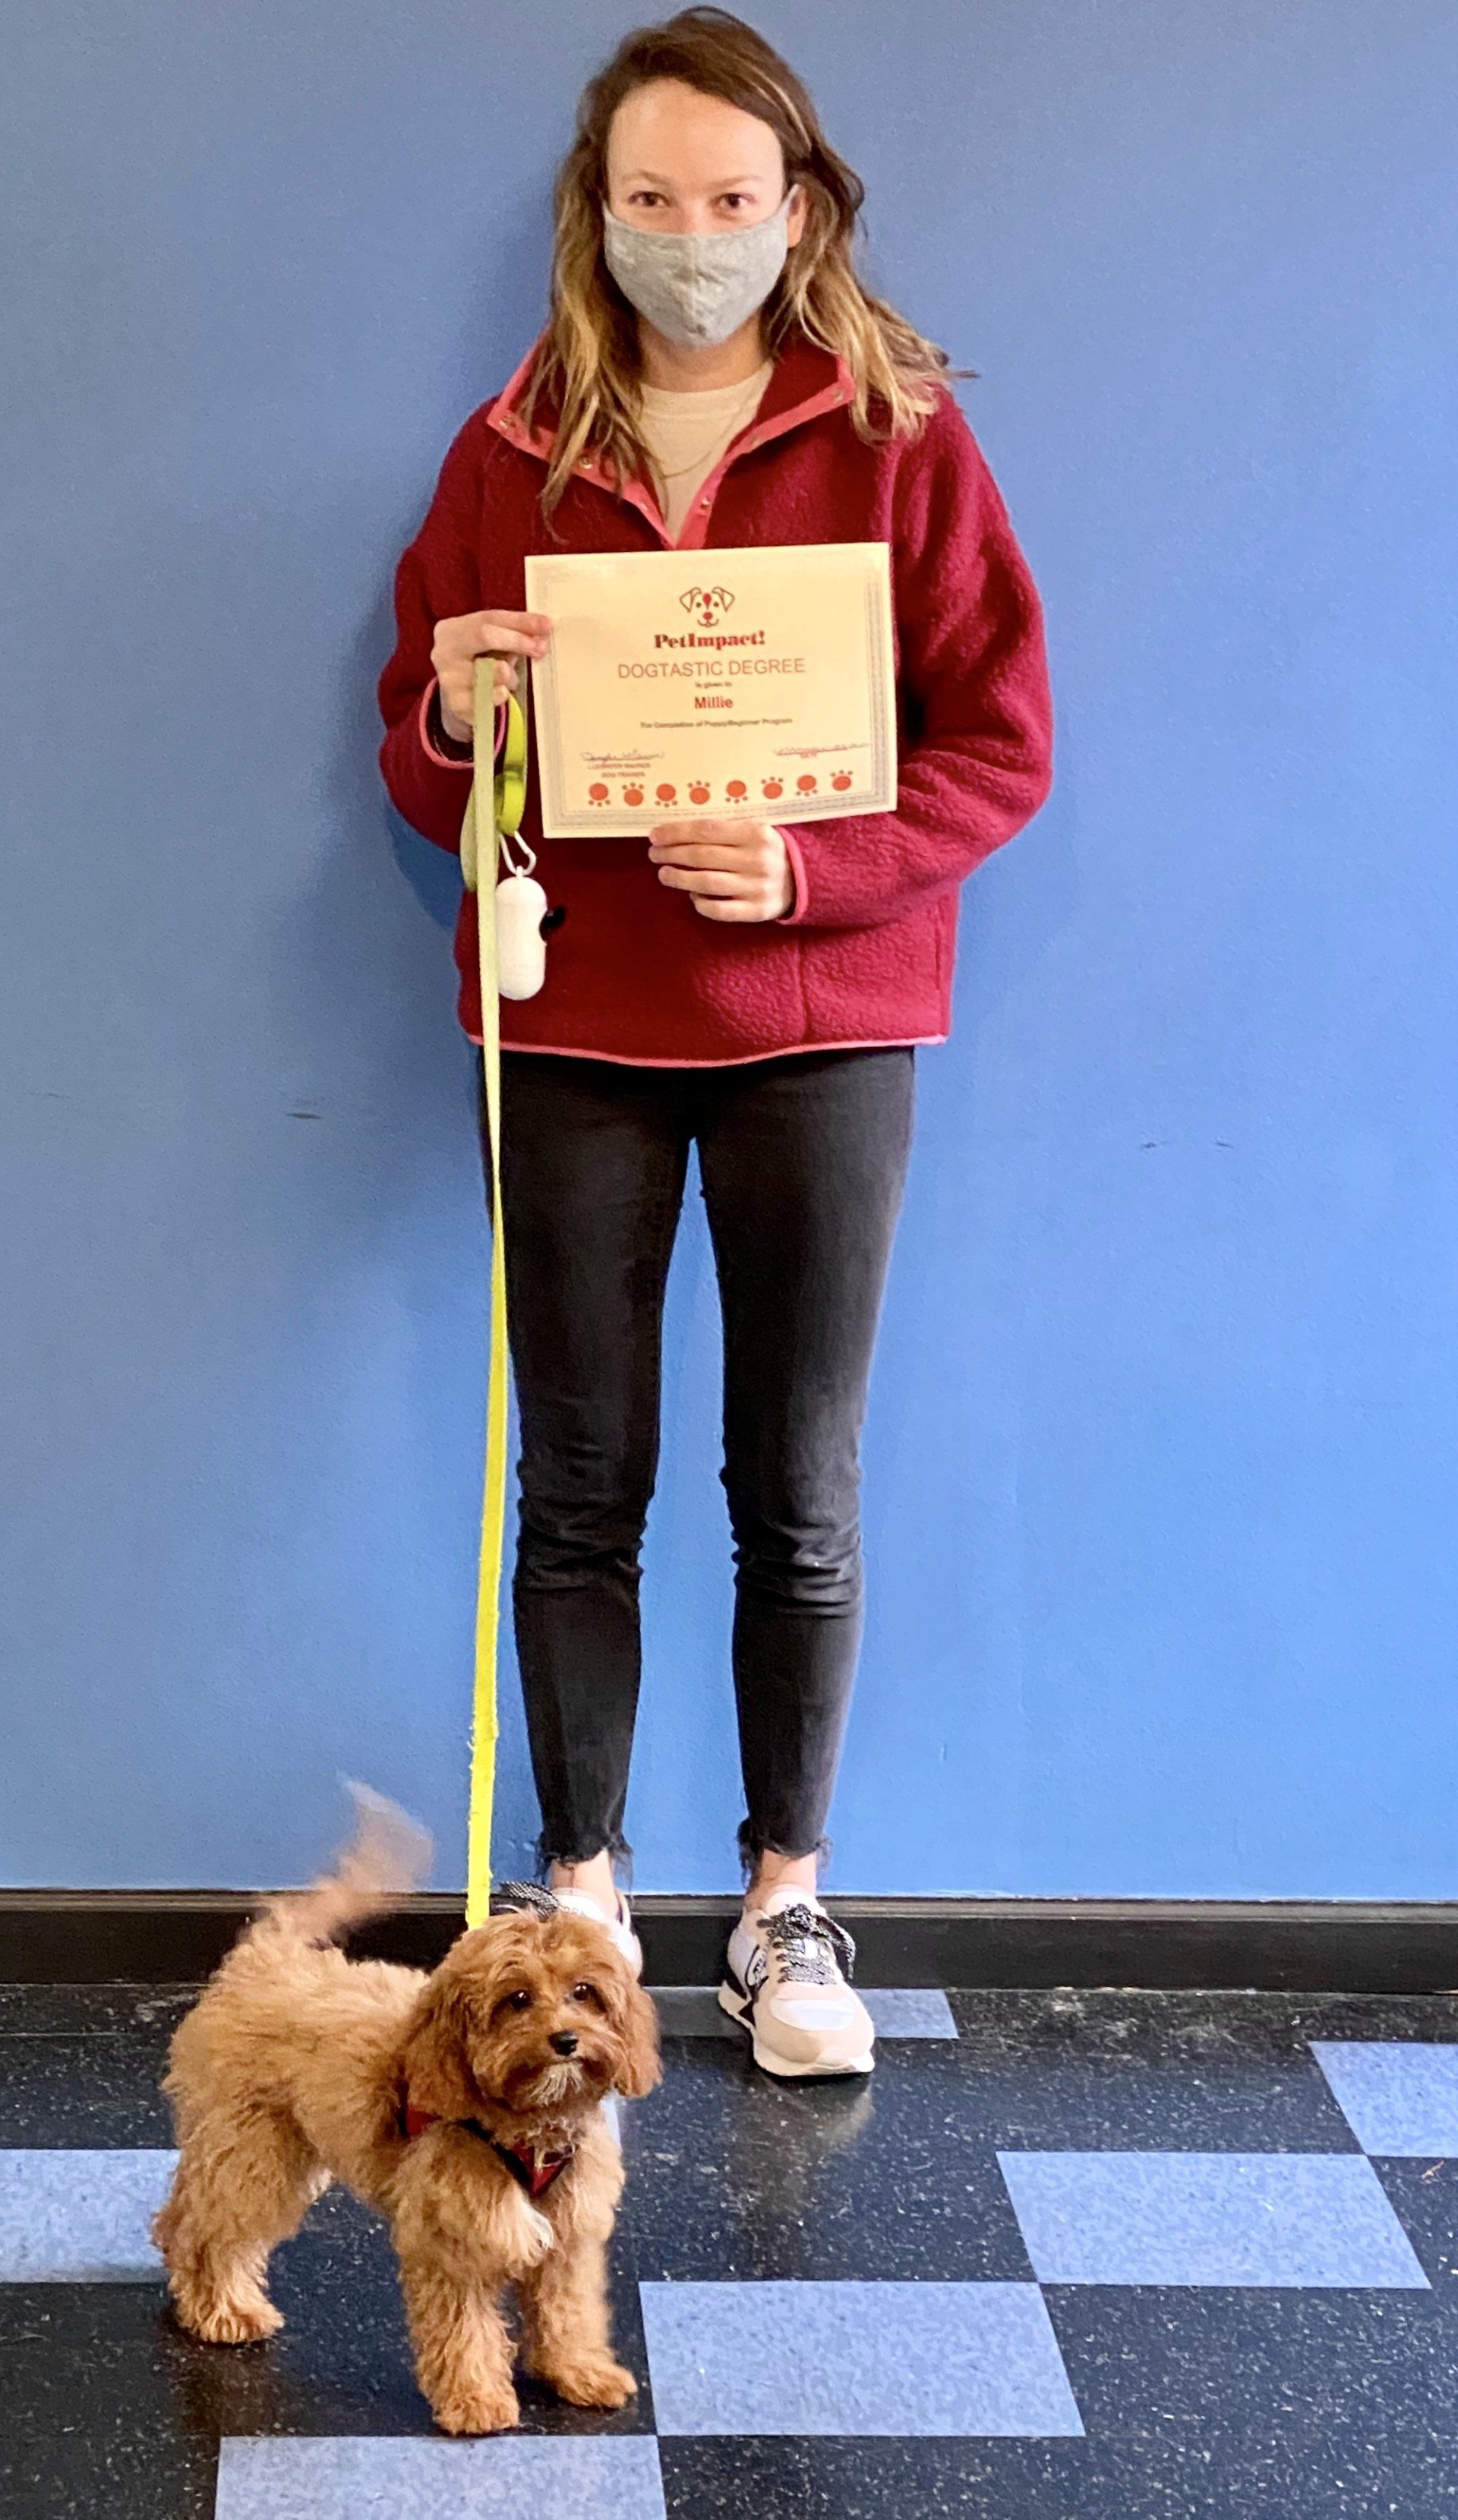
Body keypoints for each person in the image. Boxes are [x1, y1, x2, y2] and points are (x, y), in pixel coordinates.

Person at [378, 6, 1052, 2078]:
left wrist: (822, 873)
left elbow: (1001, 748)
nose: (694, 233)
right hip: (571, 1019)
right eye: (653, 198)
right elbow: (421, 756)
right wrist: (460, 703)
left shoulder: (901, 433)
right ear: (600, 214)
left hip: (823, 1029)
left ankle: (784, 1912)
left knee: (802, 1483)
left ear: (802, 209)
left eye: (733, 201)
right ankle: (581, 1891)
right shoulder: (514, 451)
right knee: (579, 1482)